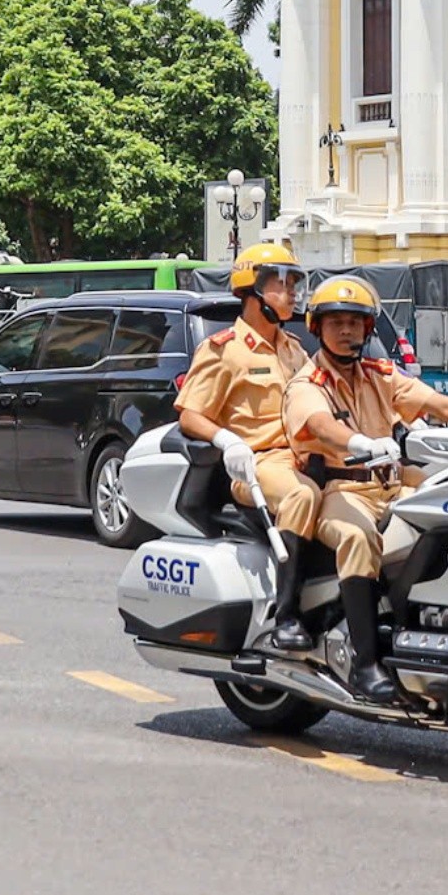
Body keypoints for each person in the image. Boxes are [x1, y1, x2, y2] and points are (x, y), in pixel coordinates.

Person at [279, 273, 448, 699]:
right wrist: (357, 442)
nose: (347, 329)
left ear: (368, 328)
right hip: (344, 491)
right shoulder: (307, 384)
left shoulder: (380, 375)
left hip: (395, 484)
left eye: (355, 322)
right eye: (336, 322)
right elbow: (318, 424)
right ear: (317, 328)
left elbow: (436, 403)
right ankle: (365, 664)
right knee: (357, 538)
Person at [176, 241, 319, 638]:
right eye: (282, 283)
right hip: (256, 465)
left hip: (303, 457)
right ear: (253, 291)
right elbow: (191, 414)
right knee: (300, 497)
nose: (291, 293)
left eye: (294, 283)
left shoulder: (294, 350)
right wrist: (227, 441)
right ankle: (287, 614)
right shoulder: (225, 350)